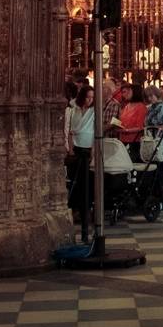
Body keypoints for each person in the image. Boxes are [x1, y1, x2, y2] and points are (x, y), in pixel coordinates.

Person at [66, 85, 96, 226]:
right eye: (87, 97)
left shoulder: (94, 111)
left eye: (92, 97)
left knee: (87, 182)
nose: (89, 100)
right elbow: (71, 130)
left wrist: (93, 152)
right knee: (75, 180)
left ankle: (86, 209)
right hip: (76, 147)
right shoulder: (74, 110)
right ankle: (76, 209)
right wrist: (70, 148)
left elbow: (96, 132)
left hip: (88, 148)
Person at [143, 85, 163, 210]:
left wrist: (155, 129)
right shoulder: (151, 108)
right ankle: (155, 199)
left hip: (162, 143)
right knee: (154, 172)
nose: (150, 98)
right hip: (152, 142)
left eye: (152, 96)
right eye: (148, 96)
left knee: (161, 172)